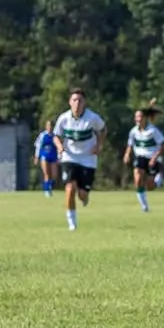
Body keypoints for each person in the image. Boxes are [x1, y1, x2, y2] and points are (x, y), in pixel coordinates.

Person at [52, 88, 106, 232]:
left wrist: (99, 145)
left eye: (80, 100)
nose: (77, 103)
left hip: (88, 158)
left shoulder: (92, 118)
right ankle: (72, 223)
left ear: (84, 103)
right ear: (70, 102)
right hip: (69, 157)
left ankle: (85, 196)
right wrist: (59, 147)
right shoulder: (63, 118)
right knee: (69, 189)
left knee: (82, 194)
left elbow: (103, 130)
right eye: (74, 100)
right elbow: (56, 135)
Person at [123, 107, 164, 212]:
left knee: (150, 186)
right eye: (136, 117)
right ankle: (144, 207)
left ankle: (158, 181)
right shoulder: (133, 131)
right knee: (138, 180)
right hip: (140, 157)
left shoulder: (153, 131)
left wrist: (155, 157)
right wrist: (127, 154)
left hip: (152, 158)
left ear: (145, 118)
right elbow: (130, 144)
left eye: (140, 117)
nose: (138, 119)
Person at [36, 122, 60, 197]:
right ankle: (46, 190)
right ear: (46, 126)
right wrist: (37, 157)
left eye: (51, 126)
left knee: (54, 175)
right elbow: (38, 146)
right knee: (46, 173)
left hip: (53, 156)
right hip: (44, 156)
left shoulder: (55, 136)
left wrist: (59, 156)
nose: (49, 127)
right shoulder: (43, 135)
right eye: (48, 125)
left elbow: (59, 146)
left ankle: (50, 186)